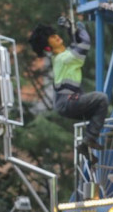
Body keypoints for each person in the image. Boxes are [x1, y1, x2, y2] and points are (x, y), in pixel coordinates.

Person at [28, 19, 108, 158]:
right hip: (68, 101)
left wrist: (70, 30)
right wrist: (80, 29)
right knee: (101, 99)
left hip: (64, 103)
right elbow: (84, 44)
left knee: (97, 111)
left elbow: (74, 45)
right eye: (52, 38)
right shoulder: (64, 59)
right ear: (48, 47)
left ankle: (86, 147)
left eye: (55, 34)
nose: (56, 37)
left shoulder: (62, 57)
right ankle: (89, 139)